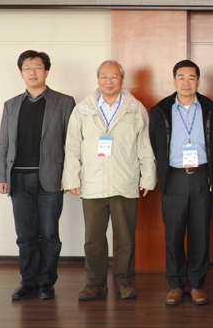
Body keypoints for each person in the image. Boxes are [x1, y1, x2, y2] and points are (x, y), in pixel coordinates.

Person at [62, 60, 156, 301]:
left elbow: (145, 145)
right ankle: (95, 284)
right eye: (104, 76)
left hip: (124, 182)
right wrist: (71, 177)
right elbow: (72, 147)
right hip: (93, 183)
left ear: (122, 79)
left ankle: (124, 282)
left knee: (125, 238)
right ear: (98, 79)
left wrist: (148, 177)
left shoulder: (135, 108)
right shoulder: (83, 109)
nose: (109, 81)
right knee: (93, 239)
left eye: (114, 77)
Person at [0, 50, 75, 300]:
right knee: (25, 235)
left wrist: (70, 176)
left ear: (46, 71)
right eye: (27, 68)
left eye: (38, 67)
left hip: (51, 177)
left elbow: (72, 144)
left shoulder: (64, 102)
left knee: (49, 233)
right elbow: (4, 143)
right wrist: (1, 175)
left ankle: (46, 281)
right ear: (21, 73)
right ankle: (28, 280)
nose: (32, 72)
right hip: (18, 179)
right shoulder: (11, 105)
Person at [149, 60, 213, 306]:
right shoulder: (160, 110)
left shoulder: (211, 109)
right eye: (181, 77)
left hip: (202, 177)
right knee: (174, 234)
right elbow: (154, 144)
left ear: (198, 81)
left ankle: (197, 284)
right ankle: (176, 285)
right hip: (174, 178)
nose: (186, 82)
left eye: (191, 77)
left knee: (201, 233)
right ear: (174, 81)